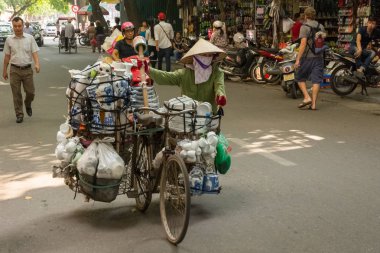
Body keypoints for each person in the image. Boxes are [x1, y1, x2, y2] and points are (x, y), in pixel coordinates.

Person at [148, 38, 227, 113]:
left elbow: (219, 86)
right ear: (196, 57)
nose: (207, 58)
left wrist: (220, 95)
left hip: (209, 114)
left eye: (210, 55)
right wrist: (148, 70)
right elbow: (165, 77)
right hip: (187, 114)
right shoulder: (185, 73)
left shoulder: (217, 72)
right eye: (204, 55)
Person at [2, 17, 40, 123]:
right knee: (16, 93)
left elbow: (35, 53)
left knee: (30, 92)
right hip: (14, 70)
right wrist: (4, 70)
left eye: (19, 26)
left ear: (23, 26)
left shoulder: (30, 38)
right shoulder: (9, 39)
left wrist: (37, 64)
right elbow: (7, 56)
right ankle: (19, 114)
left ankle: (28, 104)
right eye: (15, 26)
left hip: (27, 70)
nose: (17, 28)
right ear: (13, 27)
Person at [295, 7, 325, 111]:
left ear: (306, 16)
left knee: (299, 78)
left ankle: (307, 97)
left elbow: (303, 44)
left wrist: (298, 59)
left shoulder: (304, 27)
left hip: (307, 57)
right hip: (319, 57)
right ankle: (314, 105)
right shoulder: (321, 26)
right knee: (316, 81)